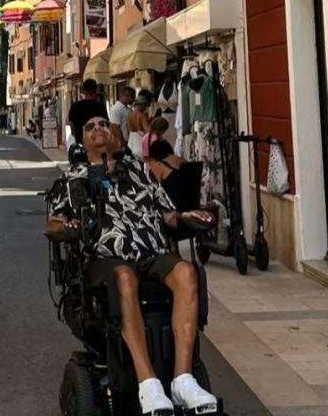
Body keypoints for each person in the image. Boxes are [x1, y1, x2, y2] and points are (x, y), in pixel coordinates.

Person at [46, 116, 218, 415]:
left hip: (149, 254)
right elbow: (53, 221)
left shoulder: (140, 171)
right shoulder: (73, 179)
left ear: (115, 135)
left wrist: (187, 216)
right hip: (103, 260)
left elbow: (166, 214)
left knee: (186, 272)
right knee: (123, 277)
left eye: (103, 124)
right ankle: (147, 382)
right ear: (82, 141)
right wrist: (67, 226)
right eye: (90, 127)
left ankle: (183, 377)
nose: (98, 128)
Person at [68, 79, 109, 146]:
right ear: (95, 90)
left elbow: (71, 124)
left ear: (84, 91)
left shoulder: (75, 106)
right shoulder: (100, 107)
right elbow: (105, 125)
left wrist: (76, 135)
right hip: (96, 143)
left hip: (80, 142)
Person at [126, 89, 153, 157]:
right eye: (145, 106)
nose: (145, 108)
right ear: (141, 105)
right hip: (140, 144)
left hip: (131, 143)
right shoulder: (141, 115)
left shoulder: (129, 115)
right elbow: (147, 131)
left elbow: (130, 129)